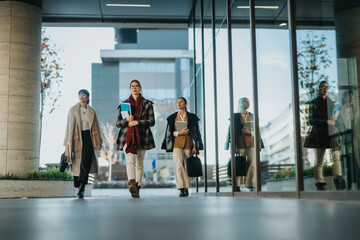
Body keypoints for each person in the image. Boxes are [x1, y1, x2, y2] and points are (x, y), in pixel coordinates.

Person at [116, 80, 155, 198]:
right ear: (129, 89)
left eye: (136, 86)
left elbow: (151, 122)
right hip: (127, 137)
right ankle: (132, 183)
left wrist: (136, 122)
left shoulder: (147, 104)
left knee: (139, 163)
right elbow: (118, 123)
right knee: (130, 161)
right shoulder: (124, 105)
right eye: (132, 86)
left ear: (140, 88)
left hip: (142, 136)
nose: (134, 88)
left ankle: (137, 187)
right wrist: (127, 121)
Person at [304, 81, 344, 190]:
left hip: (332, 133)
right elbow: (310, 121)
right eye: (322, 87)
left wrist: (336, 121)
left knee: (336, 157)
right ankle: (319, 182)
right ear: (319, 88)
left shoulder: (333, 104)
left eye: (327, 87)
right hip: (320, 135)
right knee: (319, 160)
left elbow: (338, 121)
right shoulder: (313, 103)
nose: (325, 89)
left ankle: (338, 178)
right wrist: (326, 121)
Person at [64, 89, 102, 198]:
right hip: (76, 138)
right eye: (80, 94)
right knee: (77, 162)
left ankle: (83, 187)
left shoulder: (92, 111)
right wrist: (67, 142)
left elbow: (97, 127)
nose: (81, 96)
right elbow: (68, 127)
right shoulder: (72, 110)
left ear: (87, 97)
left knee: (85, 162)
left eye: (84, 95)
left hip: (89, 138)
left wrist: (99, 141)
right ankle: (77, 181)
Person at [161, 97, 203, 197]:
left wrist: (195, 146)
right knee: (178, 166)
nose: (179, 103)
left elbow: (196, 133)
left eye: (181, 102)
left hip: (188, 144)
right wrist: (180, 133)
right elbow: (170, 133)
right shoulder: (172, 118)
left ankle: (186, 187)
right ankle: (182, 188)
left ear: (185, 104)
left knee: (187, 166)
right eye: (177, 102)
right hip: (177, 144)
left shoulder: (192, 117)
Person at [225, 97, 257, 192]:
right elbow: (230, 131)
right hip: (239, 144)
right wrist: (233, 145)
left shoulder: (252, 116)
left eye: (248, 102)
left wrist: (250, 132)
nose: (247, 103)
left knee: (252, 164)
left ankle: (251, 184)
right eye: (245, 101)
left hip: (251, 143)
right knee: (238, 164)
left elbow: (257, 132)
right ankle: (236, 186)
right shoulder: (235, 116)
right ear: (240, 103)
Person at [337, 90, 359, 189]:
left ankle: (357, 182)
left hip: (356, 134)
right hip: (347, 135)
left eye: (351, 96)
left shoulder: (357, 108)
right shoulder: (342, 110)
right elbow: (339, 123)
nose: (350, 97)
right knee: (349, 160)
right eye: (348, 96)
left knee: (356, 158)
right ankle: (350, 183)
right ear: (345, 97)